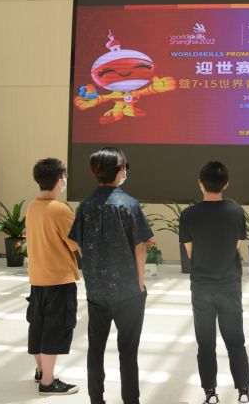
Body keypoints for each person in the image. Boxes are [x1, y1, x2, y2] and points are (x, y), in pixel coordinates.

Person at [69, 147, 153, 404]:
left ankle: (96, 399)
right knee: (128, 350)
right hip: (128, 290)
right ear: (120, 170)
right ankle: (130, 400)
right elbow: (140, 247)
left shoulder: (86, 205)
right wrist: (140, 282)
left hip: (97, 290)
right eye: (125, 167)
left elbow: (76, 243)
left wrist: (93, 267)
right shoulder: (129, 204)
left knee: (95, 348)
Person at [179, 161, 249, 404]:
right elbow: (236, 245)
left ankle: (210, 394)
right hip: (229, 285)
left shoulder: (188, 215)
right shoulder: (236, 211)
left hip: (201, 287)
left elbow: (190, 252)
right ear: (226, 184)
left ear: (200, 183)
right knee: (235, 341)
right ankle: (243, 392)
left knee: (205, 344)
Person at [25, 157, 80, 395]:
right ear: (60, 179)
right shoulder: (60, 209)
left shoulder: (32, 206)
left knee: (38, 325)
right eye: (64, 177)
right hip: (59, 280)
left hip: (38, 278)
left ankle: (41, 371)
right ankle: (48, 382)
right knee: (56, 329)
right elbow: (76, 243)